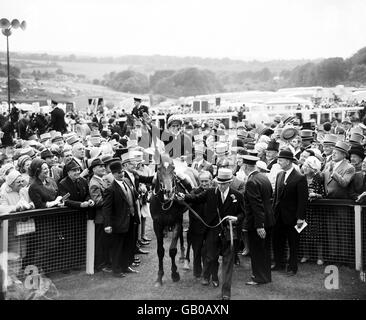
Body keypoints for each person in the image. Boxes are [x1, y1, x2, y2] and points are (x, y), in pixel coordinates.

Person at [179, 168, 244, 300]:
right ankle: (207, 275)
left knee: (228, 262)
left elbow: (243, 213)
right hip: (213, 231)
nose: (221, 186)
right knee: (210, 256)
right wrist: (183, 196)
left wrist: (237, 219)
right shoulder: (210, 193)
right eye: (219, 183)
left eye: (224, 183)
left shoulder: (237, 196)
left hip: (230, 233)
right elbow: (195, 198)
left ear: (229, 183)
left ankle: (226, 292)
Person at [272, 149, 308, 276]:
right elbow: (276, 197)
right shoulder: (279, 175)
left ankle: (292, 267)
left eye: (280, 160)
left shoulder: (300, 178)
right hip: (278, 217)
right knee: (277, 241)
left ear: (288, 161)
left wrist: (300, 218)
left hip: (293, 218)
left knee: (293, 243)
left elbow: (302, 201)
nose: (278, 162)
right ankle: (278, 264)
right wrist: (273, 214)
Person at [103, 161, 140, 277]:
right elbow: (107, 209)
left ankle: (125, 266)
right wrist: (107, 225)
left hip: (130, 220)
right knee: (117, 247)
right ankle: (117, 269)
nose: (121, 174)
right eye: (118, 173)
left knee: (128, 246)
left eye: (122, 172)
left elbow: (133, 197)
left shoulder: (127, 183)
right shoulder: (111, 189)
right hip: (118, 223)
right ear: (113, 174)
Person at [242, 155, 275, 285]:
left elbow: (256, 206)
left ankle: (258, 277)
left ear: (245, 167)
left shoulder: (251, 181)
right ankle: (265, 276)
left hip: (258, 222)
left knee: (257, 251)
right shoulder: (263, 177)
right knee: (264, 250)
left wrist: (259, 225)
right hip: (268, 219)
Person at [300, 156, 326, 265]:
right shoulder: (300, 178)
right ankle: (306, 255)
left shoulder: (319, 180)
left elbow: (324, 194)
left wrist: (315, 195)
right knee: (302, 232)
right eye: (305, 165)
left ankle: (320, 257)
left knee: (317, 234)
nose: (305, 168)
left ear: (314, 169)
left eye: (308, 166)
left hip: (315, 212)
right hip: (302, 211)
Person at [89, 158, 111, 272]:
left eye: (103, 166)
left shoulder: (101, 180)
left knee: (105, 242)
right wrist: (111, 199)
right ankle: (100, 265)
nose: (103, 168)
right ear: (93, 169)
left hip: (105, 216)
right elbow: (98, 202)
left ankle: (105, 263)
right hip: (100, 217)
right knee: (100, 242)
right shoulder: (94, 183)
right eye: (100, 166)